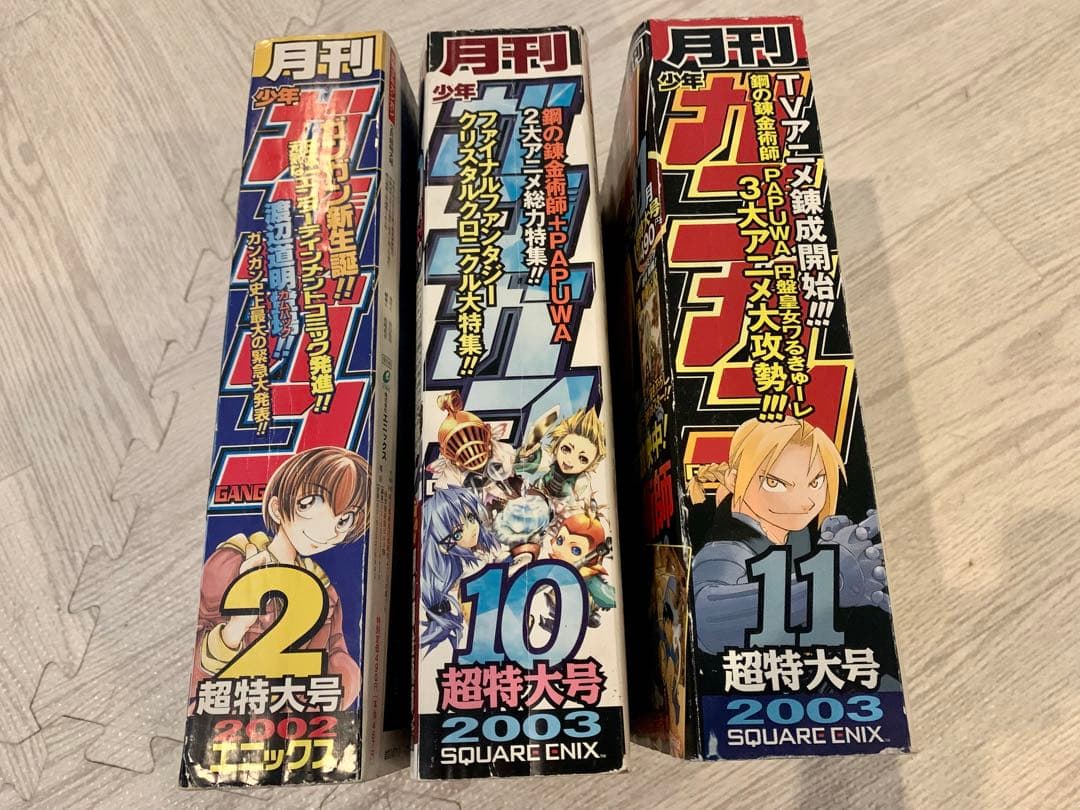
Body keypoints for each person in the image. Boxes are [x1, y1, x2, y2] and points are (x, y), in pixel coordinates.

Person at [189, 446, 369, 710]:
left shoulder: (324, 591)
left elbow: (337, 653)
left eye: (345, 519)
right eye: (311, 504)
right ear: (276, 508)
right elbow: (196, 670)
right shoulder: (233, 562)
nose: (329, 529)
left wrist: (346, 679)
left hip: (296, 713)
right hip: (235, 711)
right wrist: (237, 626)